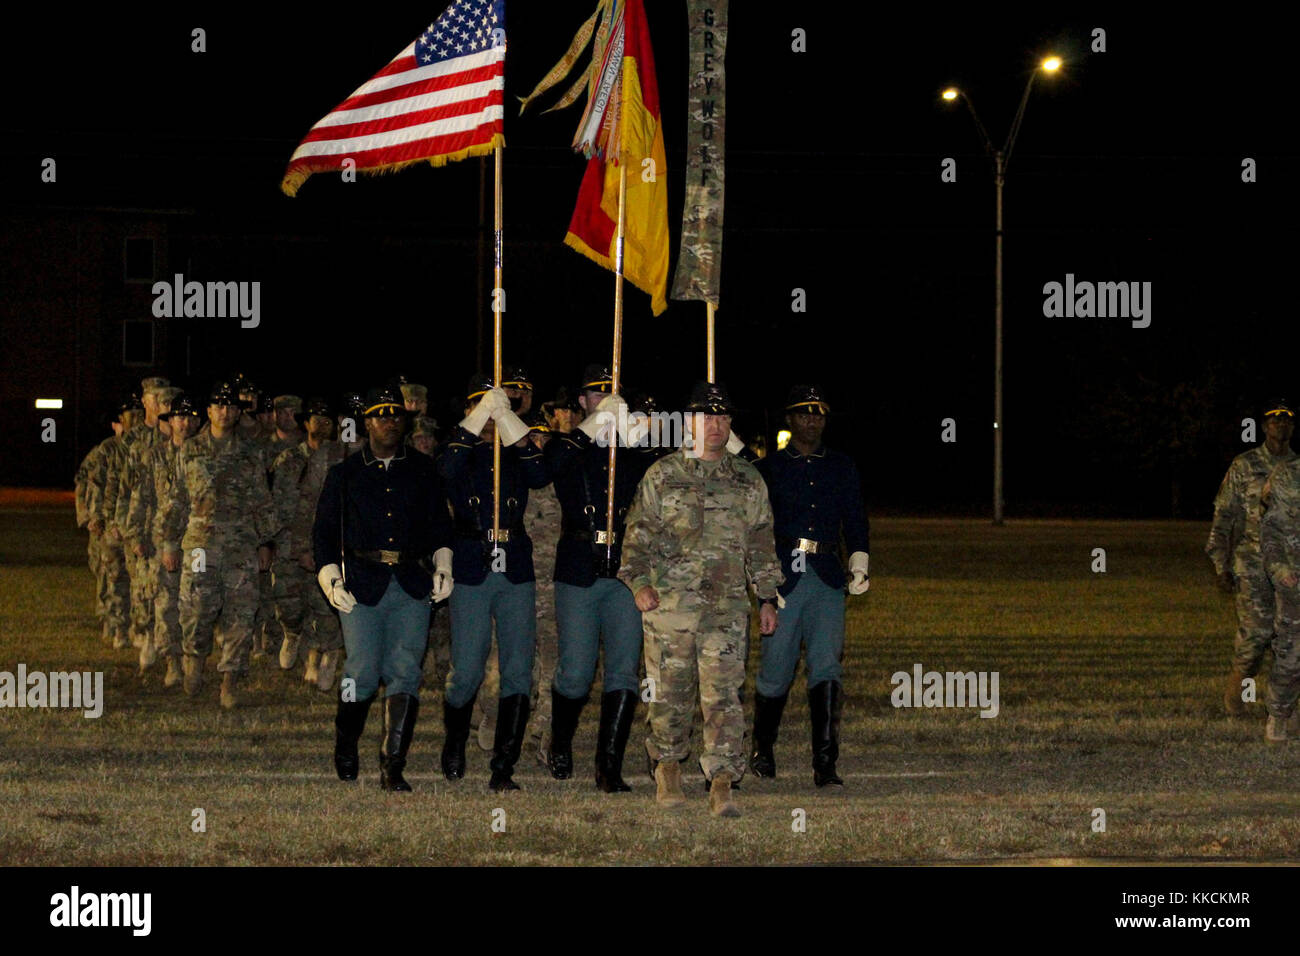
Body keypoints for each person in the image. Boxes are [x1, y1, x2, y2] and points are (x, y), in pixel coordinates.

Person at [619, 381, 784, 817]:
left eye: (723, 417)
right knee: (668, 694)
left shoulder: (747, 479)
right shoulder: (662, 475)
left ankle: (723, 779)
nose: (716, 425)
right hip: (669, 610)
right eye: (707, 417)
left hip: (726, 610)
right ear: (688, 422)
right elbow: (635, 539)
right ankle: (668, 766)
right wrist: (640, 585)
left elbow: (762, 543)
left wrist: (766, 597)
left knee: (724, 696)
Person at [313, 385, 454, 791]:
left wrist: (444, 565)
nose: (388, 422)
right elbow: (324, 532)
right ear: (366, 423)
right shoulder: (345, 474)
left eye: (394, 416)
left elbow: (440, 526)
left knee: (406, 669)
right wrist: (330, 577)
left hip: (411, 580)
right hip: (360, 582)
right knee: (361, 671)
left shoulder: (424, 471)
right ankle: (346, 743)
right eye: (379, 416)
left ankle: (393, 765)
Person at [752, 385, 869, 787]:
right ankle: (762, 748)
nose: (812, 421)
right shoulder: (769, 469)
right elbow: (759, 529)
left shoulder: (841, 466)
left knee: (827, 666)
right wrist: (764, 584)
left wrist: (859, 561)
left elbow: (854, 519)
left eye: (818, 415)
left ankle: (825, 762)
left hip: (826, 574)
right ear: (790, 419)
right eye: (804, 414)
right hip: (785, 573)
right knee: (776, 668)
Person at [543, 365, 654, 791]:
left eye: (612, 393)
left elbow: (659, 463)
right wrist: (594, 424)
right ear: (583, 402)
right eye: (596, 394)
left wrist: (628, 428)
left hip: (626, 566)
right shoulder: (572, 443)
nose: (604, 399)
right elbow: (551, 465)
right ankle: (561, 741)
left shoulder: (633, 448)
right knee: (575, 670)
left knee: (624, 670)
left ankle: (609, 767)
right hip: (579, 563)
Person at [438, 374, 548, 791]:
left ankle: (504, 765)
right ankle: (454, 743)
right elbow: (445, 469)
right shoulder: (460, 451)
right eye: (480, 409)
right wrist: (484, 411)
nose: (488, 419)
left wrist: (509, 421)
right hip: (471, 561)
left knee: (518, 670)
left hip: (515, 563)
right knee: (466, 669)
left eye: (494, 408)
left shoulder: (516, 449)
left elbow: (539, 475)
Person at [158, 382, 279, 709]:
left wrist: (267, 541)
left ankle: (230, 681)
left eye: (231, 407)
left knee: (241, 614)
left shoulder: (252, 452)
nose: (225, 412)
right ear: (208, 412)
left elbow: (262, 501)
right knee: (196, 608)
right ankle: (194, 662)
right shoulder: (191, 450)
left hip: (241, 545)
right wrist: (170, 541)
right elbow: (176, 500)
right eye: (218, 406)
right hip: (200, 545)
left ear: (238, 413)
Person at [1207, 399, 1297, 715]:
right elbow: (1225, 516)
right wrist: (1221, 563)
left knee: (1288, 637)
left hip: (1290, 567)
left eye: (1286, 420)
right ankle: (1236, 700)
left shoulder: (1297, 469)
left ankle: (1280, 705)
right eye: (1274, 420)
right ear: (1264, 426)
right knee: (1256, 633)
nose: (1280, 425)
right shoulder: (1245, 465)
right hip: (1254, 563)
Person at [270, 397, 345, 690]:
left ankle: (325, 657)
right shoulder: (288, 460)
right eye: (317, 417)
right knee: (288, 603)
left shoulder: (340, 460)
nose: (323, 422)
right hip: (289, 542)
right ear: (306, 423)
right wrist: (271, 542)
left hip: (326, 544)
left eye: (329, 418)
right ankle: (292, 634)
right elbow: (274, 504)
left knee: (324, 605)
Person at [148, 394, 203, 687]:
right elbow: (144, 497)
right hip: (166, 538)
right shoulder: (156, 455)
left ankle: (192, 658)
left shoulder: (204, 453)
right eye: (180, 416)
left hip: (197, 539)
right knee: (167, 602)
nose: (186, 422)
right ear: (170, 421)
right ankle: (172, 661)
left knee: (194, 601)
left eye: (191, 417)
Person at [81, 397, 141, 646]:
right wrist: (93, 516)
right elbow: (93, 483)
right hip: (111, 521)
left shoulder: (143, 447)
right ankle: (117, 625)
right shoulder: (108, 449)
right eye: (130, 417)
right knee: (114, 576)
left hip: (135, 522)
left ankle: (137, 626)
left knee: (138, 578)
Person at [1259, 453, 1300, 741]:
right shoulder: (1288, 474)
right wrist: (1280, 569)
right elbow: (1271, 530)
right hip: (1295, 581)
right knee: (1292, 652)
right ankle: (1279, 714)